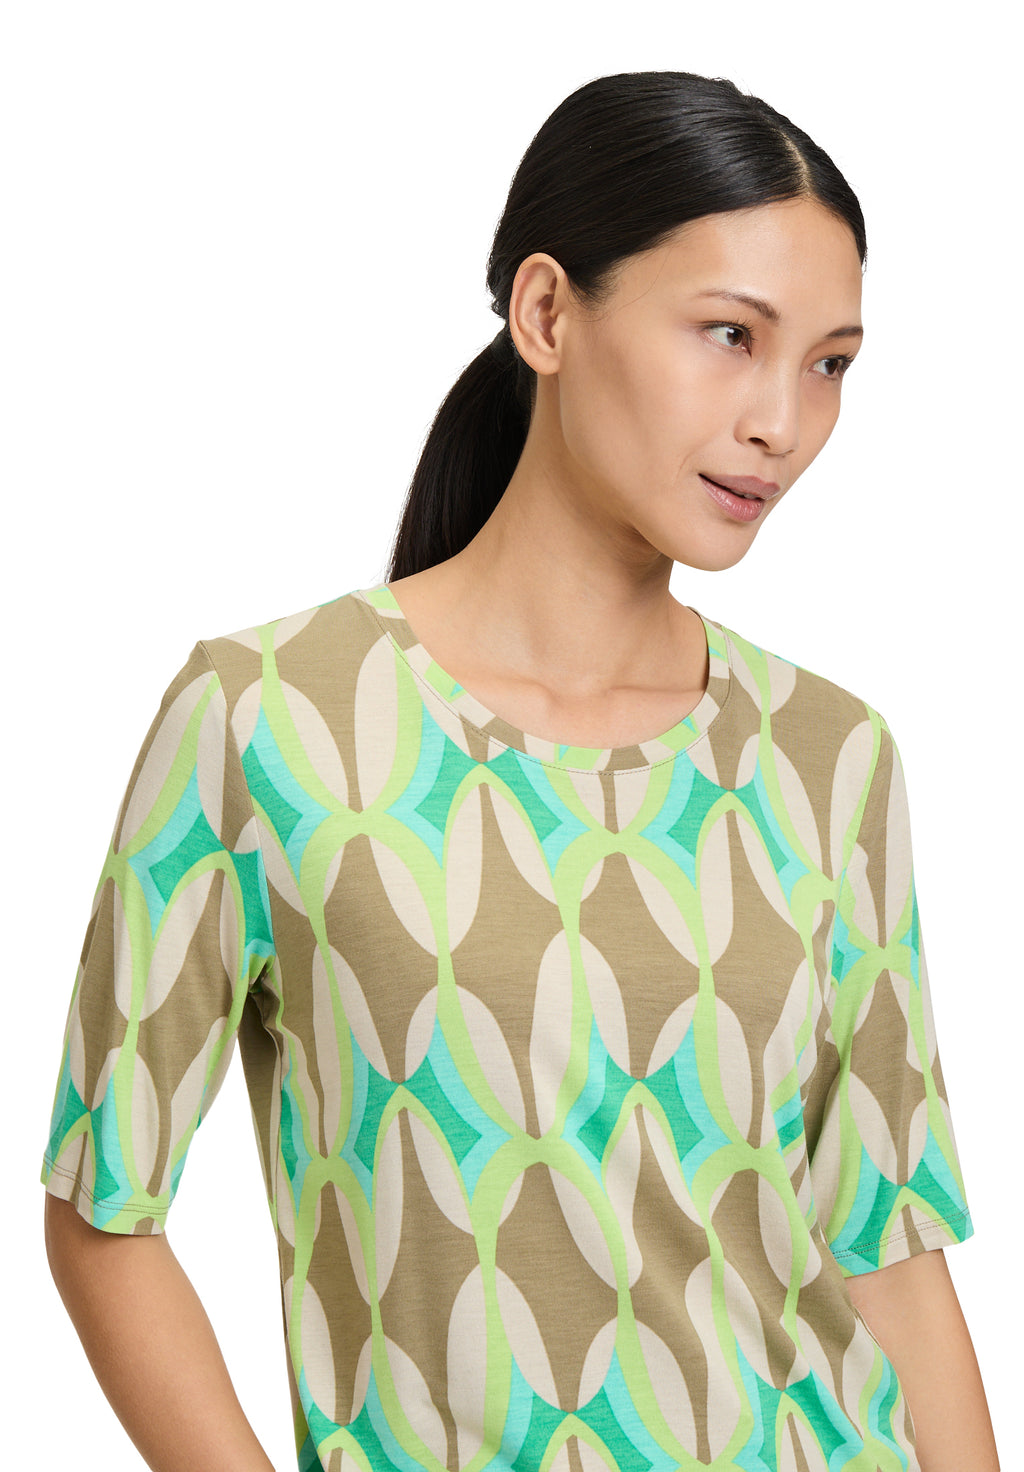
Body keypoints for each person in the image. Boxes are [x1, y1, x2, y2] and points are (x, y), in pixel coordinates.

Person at [41, 70, 1000, 1472]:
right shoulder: (268, 721)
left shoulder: (831, 756)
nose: (782, 421)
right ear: (547, 312)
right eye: (731, 335)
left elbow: (890, 1252)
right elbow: (102, 1212)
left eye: (830, 363)